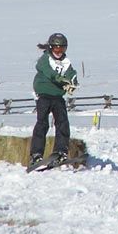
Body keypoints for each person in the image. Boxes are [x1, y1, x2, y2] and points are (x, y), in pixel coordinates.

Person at [29, 33, 78, 167]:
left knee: (63, 123)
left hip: (57, 96)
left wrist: (72, 82)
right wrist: (59, 79)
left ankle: (60, 152)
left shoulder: (66, 63)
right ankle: (36, 154)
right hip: (44, 94)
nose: (59, 52)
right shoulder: (45, 59)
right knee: (42, 123)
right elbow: (48, 72)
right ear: (51, 48)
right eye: (56, 49)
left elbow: (71, 74)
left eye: (62, 49)